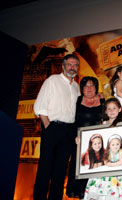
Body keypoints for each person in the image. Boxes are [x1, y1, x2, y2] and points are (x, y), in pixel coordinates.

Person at [33, 54, 80, 200]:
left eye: (75, 65)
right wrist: (49, 127)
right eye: (69, 65)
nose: (72, 68)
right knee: (45, 169)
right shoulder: (52, 80)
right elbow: (40, 107)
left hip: (69, 131)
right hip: (53, 128)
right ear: (63, 66)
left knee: (60, 171)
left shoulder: (76, 86)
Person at [84, 98, 122, 200]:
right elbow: (93, 141)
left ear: (120, 109)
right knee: (97, 191)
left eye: (114, 108)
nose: (112, 111)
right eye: (109, 109)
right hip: (101, 169)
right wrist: (81, 140)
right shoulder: (101, 125)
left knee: (114, 193)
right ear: (105, 111)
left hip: (117, 172)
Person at [67, 76, 104, 199]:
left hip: (97, 144)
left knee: (93, 169)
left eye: (92, 85)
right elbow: (70, 120)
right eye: (86, 85)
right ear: (82, 88)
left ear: (96, 88)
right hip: (78, 143)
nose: (89, 88)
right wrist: (74, 137)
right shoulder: (76, 101)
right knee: (78, 169)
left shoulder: (103, 101)